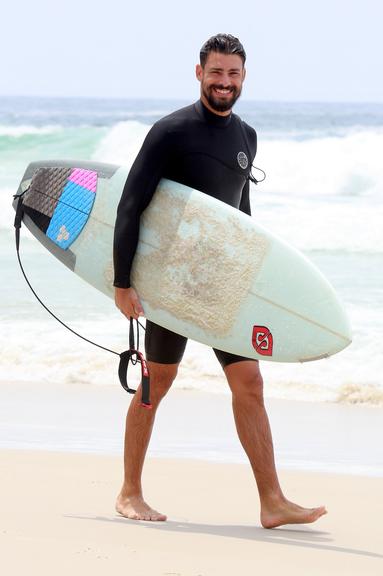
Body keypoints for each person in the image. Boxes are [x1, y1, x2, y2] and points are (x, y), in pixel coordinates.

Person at [113, 33, 327, 528]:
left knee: (250, 383)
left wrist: (255, 278)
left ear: (243, 77)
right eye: (216, 73)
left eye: (232, 74)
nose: (224, 82)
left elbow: (239, 219)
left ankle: (272, 501)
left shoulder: (246, 137)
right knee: (156, 381)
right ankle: (129, 492)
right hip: (172, 283)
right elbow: (130, 205)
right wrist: (124, 283)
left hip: (220, 285)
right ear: (199, 73)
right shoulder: (170, 132)